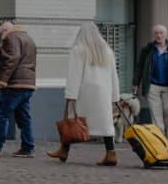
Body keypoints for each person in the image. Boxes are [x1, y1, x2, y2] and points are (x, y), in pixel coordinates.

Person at [49, 23, 121, 166]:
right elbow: (114, 75)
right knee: (106, 123)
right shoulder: (107, 51)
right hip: (103, 92)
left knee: (72, 119)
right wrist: (115, 95)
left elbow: (74, 74)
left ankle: (64, 150)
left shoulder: (78, 50)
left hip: (84, 91)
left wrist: (71, 94)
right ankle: (111, 153)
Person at [0, 20, 37, 157]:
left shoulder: (11, 37)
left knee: (2, 115)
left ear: (5, 31)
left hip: (14, 85)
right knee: (24, 118)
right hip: (27, 85)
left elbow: (13, 58)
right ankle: (28, 148)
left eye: (1, 34)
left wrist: (2, 81)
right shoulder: (28, 38)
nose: (1, 37)